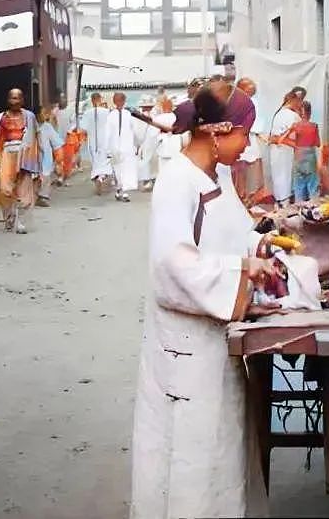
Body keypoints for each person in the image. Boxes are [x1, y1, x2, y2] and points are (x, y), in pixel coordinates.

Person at [130, 86, 276, 519]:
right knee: (190, 450)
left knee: (222, 445)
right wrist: (242, 271)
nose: (248, 144)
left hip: (217, 338)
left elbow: (230, 233)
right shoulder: (176, 183)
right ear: (218, 132)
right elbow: (172, 267)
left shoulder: (219, 175)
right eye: (244, 134)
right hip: (185, 345)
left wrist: (262, 242)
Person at [0, 88, 41, 234]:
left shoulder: (29, 116)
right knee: (5, 190)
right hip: (7, 154)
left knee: (24, 191)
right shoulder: (2, 117)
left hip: (25, 155)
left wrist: (38, 159)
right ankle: (9, 219)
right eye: (12, 98)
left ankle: (21, 223)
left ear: (22, 100)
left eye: (18, 98)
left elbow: (36, 135)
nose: (15, 101)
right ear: (8, 100)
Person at [234, 77, 267, 201]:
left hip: (251, 140)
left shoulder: (254, 102)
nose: (253, 91)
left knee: (253, 171)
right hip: (238, 140)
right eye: (250, 89)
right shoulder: (234, 102)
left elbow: (257, 124)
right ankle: (240, 197)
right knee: (239, 170)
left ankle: (249, 198)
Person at [268, 91, 302, 207]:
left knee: (279, 176)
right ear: (293, 101)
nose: (300, 104)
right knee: (286, 176)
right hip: (286, 151)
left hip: (277, 151)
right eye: (299, 101)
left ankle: (280, 203)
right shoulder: (293, 116)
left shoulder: (278, 114)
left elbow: (274, 137)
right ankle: (284, 203)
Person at [106, 92, 138, 202]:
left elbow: (134, 131)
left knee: (124, 169)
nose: (120, 103)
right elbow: (107, 133)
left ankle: (124, 191)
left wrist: (136, 144)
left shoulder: (126, 115)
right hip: (117, 146)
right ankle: (120, 189)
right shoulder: (113, 116)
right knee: (119, 170)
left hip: (125, 146)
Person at [286, 101, 320, 202]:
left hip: (298, 154)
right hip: (310, 155)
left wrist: (296, 145)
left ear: (300, 113)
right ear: (310, 113)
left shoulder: (295, 126)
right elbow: (318, 143)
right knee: (312, 183)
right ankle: (313, 207)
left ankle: (299, 206)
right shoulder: (314, 126)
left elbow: (286, 138)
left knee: (298, 184)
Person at [80, 92, 113, 196]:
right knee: (105, 161)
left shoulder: (87, 113)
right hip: (105, 141)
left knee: (96, 162)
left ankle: (98, 177)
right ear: (100, 100)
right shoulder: (107, 112)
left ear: (92, 101)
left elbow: (83, 129)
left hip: (93, 141)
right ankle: (101, 177)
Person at [37, 107, 64, 207]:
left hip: (45, 159)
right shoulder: (30, 127)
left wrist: (58, 158)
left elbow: (56, 143)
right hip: (32, 158)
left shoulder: (47, 127)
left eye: (45, 114)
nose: (44, 116)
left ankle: (42, 197)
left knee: (45, 177)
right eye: (42, 113)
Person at [153, 97, 180, 173]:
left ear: (162, 107)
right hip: (175, 141)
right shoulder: (176, 116)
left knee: (163, 166)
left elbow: (154, 133)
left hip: (162, 141)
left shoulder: (158, 118)